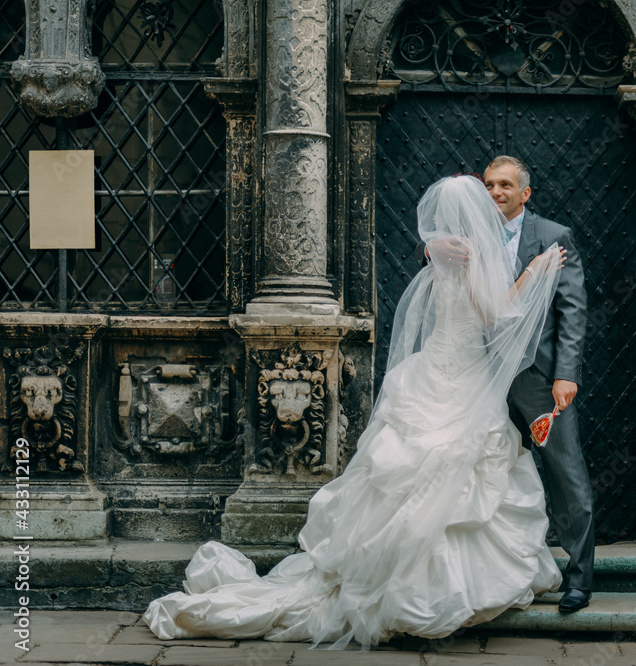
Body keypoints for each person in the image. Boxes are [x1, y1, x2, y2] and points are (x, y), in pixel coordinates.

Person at [143, 176, 567, 649]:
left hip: (435, 371)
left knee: (415, 472)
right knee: (456, 474)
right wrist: (536, 271)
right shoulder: (470, 257)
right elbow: (496, 314)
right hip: (462, 378)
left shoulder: (442, 254)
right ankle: (433, 592)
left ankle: (391, 578)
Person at [429, 157, 594, 613]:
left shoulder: (554, 236)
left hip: (537, 378)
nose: (496, 191)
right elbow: (440, 264)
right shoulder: (465, 238)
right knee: (485, 473)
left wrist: (566, 373)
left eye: (505, 184)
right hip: (478, 378)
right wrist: (432, 251)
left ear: (526, 192)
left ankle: (578, 580)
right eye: (488, 184)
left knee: (566, 473)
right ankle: (495, 576)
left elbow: (572, 311)